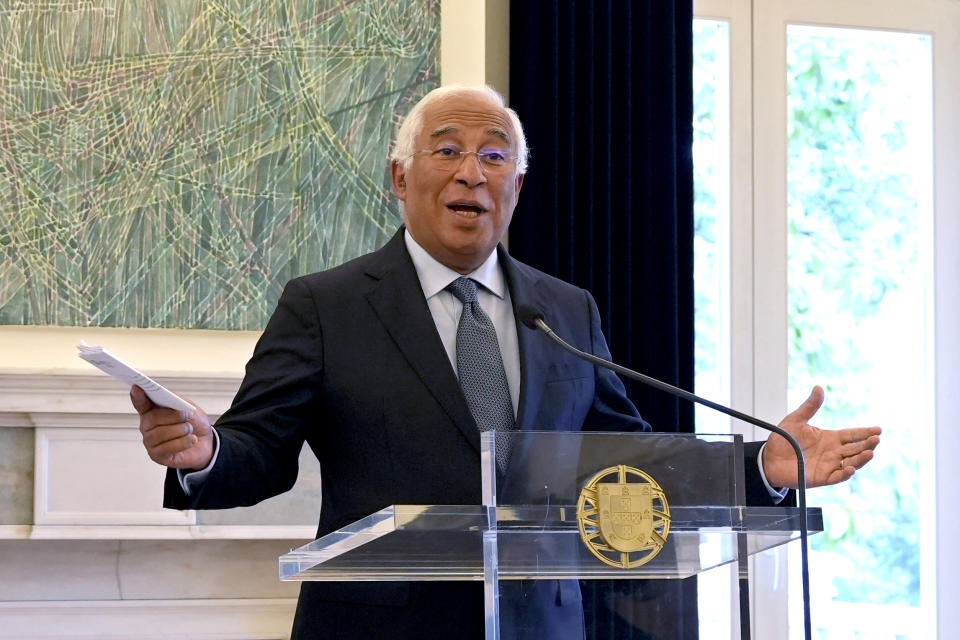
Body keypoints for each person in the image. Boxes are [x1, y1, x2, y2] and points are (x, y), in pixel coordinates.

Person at [132, 85, 881, 639]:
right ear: (401, 178)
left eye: (495, 157)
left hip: (540, 627)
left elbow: (626, 463)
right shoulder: (326, 305)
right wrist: (206, 452)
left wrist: (764, 467)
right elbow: (261, 453)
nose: (471, 172)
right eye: (448, 150)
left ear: (516, 187)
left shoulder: (565, 313)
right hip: (378, 628)